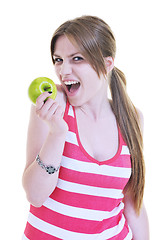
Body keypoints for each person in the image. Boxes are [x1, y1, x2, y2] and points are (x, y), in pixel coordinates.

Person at [22, 15, 149, 239]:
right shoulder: (52, 105)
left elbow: (133, 205)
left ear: (107, 63)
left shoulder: (131, 118)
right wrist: (57, 133)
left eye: (77, 59)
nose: (63, 71)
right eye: (58, 59)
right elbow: (35, 195)